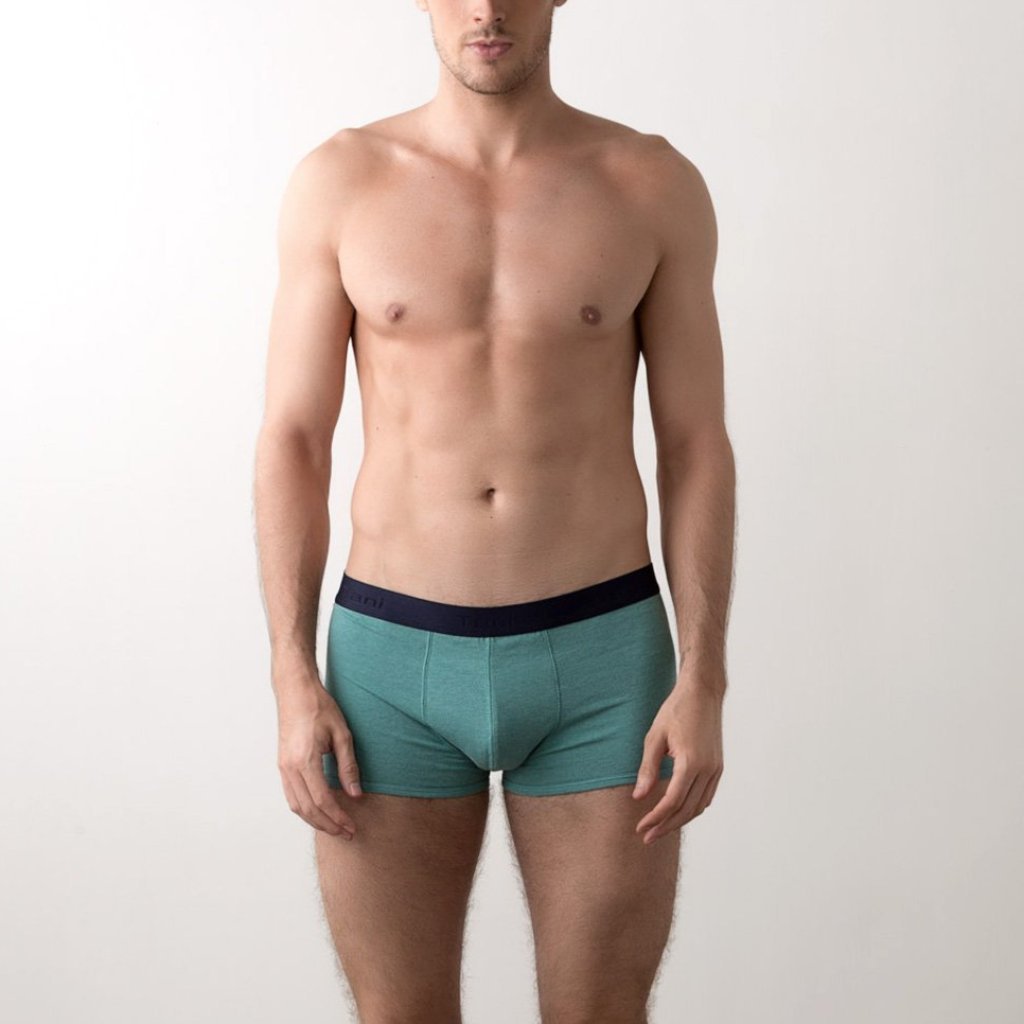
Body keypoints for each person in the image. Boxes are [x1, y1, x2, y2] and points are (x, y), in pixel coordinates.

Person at [253, 2, 735, 1021]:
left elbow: (695, 443)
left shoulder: (648, 183)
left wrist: (704, 678)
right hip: (391, 665)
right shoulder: (342, 181)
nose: (485, 8)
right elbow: (293, 439)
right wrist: (291, 674)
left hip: (602, 660)